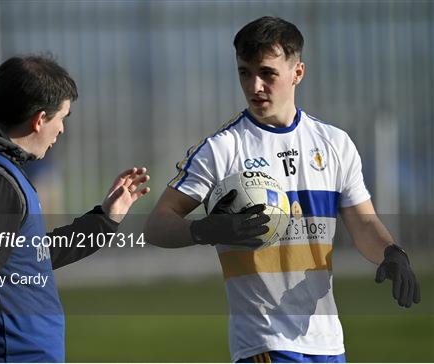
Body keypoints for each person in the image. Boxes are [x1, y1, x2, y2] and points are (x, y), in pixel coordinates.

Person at [144, 16, 420, 363]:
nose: (254, 85)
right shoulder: (222, 149)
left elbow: (364, 223)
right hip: (264, 343)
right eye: (245, 72)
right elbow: (156, 224)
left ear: (297, 73)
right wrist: (203, 229)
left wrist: (392, 253)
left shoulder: (335, 144)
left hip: (328, 343)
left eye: (267, 73)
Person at [0, 55, 150, 362]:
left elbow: (28, 257)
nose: (61, 130)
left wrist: (104, 221)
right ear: (39, 119)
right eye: (62, 118)